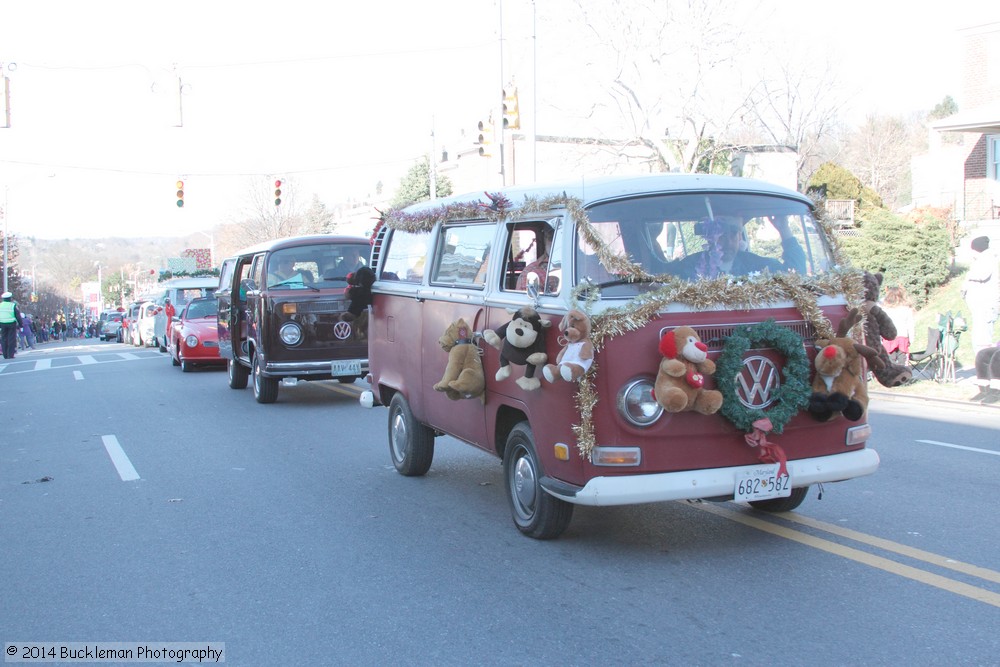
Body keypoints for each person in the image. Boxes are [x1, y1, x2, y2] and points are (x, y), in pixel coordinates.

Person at [671, 215, 806, 280]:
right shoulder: (690, 266)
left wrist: (784, 229)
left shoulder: (756, 265)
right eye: (721, 236)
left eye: (733, 234)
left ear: (740, 236)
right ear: (710, 237)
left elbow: (796, 275)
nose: (728, 242)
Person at [962, 235, 998, 354]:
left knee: (982, 341)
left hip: (986, 307)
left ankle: (985, 367)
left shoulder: (987, 260)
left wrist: (968, 277)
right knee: (979, 339)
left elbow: (982, 274)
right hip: (980, 308)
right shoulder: (981, 260)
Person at [881, 285, 916, 363]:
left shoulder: (885, 310)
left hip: (889, 338)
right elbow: (910, 325)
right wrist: (911, 339)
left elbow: (882, 325)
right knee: (902, 362)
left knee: (890, 362)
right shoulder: (907, 309)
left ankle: (892, 374)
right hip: (902, 337)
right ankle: (902, 374)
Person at [0, 291, 24, 359]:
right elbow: (18, 316)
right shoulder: (13, 305)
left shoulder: (0, 305)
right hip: (11, 324)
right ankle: (10, 354)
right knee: (11, 339)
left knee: (3, 339)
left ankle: (5, 355)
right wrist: (21, 325)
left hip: (2, 324)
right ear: (10, 298)